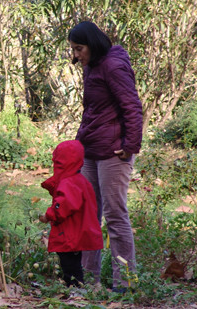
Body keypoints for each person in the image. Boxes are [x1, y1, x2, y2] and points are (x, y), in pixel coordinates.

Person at [68, 21, 143, 292]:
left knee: (115, 215)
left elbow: (132, 107)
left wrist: (130, 145)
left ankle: (125, 284)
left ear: (93, 44)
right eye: (74, 50)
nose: (76, 55)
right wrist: (80, 145)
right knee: (88, 214)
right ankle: (90, 281)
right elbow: (94, 111)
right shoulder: (92, 65)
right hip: (91, 149)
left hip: (113, 152)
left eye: (79, 48)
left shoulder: (113, 65)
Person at [39, 140, 103, 287]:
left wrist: (48, 216)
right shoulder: (79, 180)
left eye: (57, 163)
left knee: (70, 264)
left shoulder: (69, 183)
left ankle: (75, 290)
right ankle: (74, 288)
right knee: (72, 262)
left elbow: (63, 206)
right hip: (76, 230)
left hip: (69, 233)